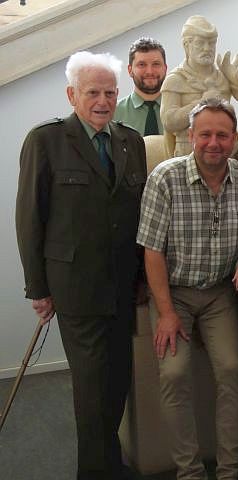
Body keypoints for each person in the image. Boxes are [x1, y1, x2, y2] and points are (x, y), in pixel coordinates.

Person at [15, 51, 147, 480]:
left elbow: (137, 216)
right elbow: (29, 218)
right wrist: (38, 288)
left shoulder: (131, 142)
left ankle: (109, 463)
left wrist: (144, 278)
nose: (102, 101)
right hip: (74, 286)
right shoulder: (46, 140)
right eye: (92, 92)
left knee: (117, 382)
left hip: (122, 285)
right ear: (72, 95)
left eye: (109, 92)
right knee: (91, 389)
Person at [137, 98, 238, 480]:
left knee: (231, 369)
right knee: (174, 373)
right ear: (191, 136)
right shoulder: (164, 177)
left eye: (222, 135)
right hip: (173, 293)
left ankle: (230, 469)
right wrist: (166, 313)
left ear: (235, 138)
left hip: (219, 293)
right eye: (206, 134)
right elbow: (152, 252)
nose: (214, 143)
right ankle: (189, 471)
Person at [160, 15, 231, 157]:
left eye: (211, 43)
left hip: (220, 153)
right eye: (200, 43)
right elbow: (169, 121)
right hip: (186, 152)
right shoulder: (175, 79)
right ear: (186, 45)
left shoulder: (222, 80)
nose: (207, 48)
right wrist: (201, 103)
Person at [114, 37, 167, 136]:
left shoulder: (180, 110)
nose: (150, 71)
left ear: (165, 68)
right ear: (130, 70)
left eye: (156, 64)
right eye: (142, 65)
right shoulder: (113, 114)